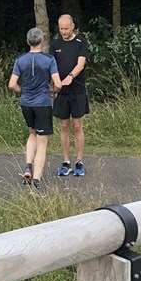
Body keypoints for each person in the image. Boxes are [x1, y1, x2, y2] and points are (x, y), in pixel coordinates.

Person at [9, 27, 57, 195]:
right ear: (42, 40)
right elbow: (58, 83)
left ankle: (28, 166)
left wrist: (23, 91)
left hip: (26, 103)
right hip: (43, 103)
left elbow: (12, 84)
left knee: (32, 133)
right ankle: (36, 182)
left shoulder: (20, 60)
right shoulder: (49, 59)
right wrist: (54, 92)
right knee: (42, 143)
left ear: (28, 41)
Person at [50, 14, 91, 178]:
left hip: (77, 89)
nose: (63, 32)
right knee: (64, 126)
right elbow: (51, 65)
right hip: (61, 91)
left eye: (66, 28)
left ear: (72, 26)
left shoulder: (81, 42)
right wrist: (55, 83)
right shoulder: (55, 45)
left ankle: (79, 161)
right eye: (61, 29)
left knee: (77, 125)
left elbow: (81, 64)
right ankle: (66, 161)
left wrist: (70, 77)